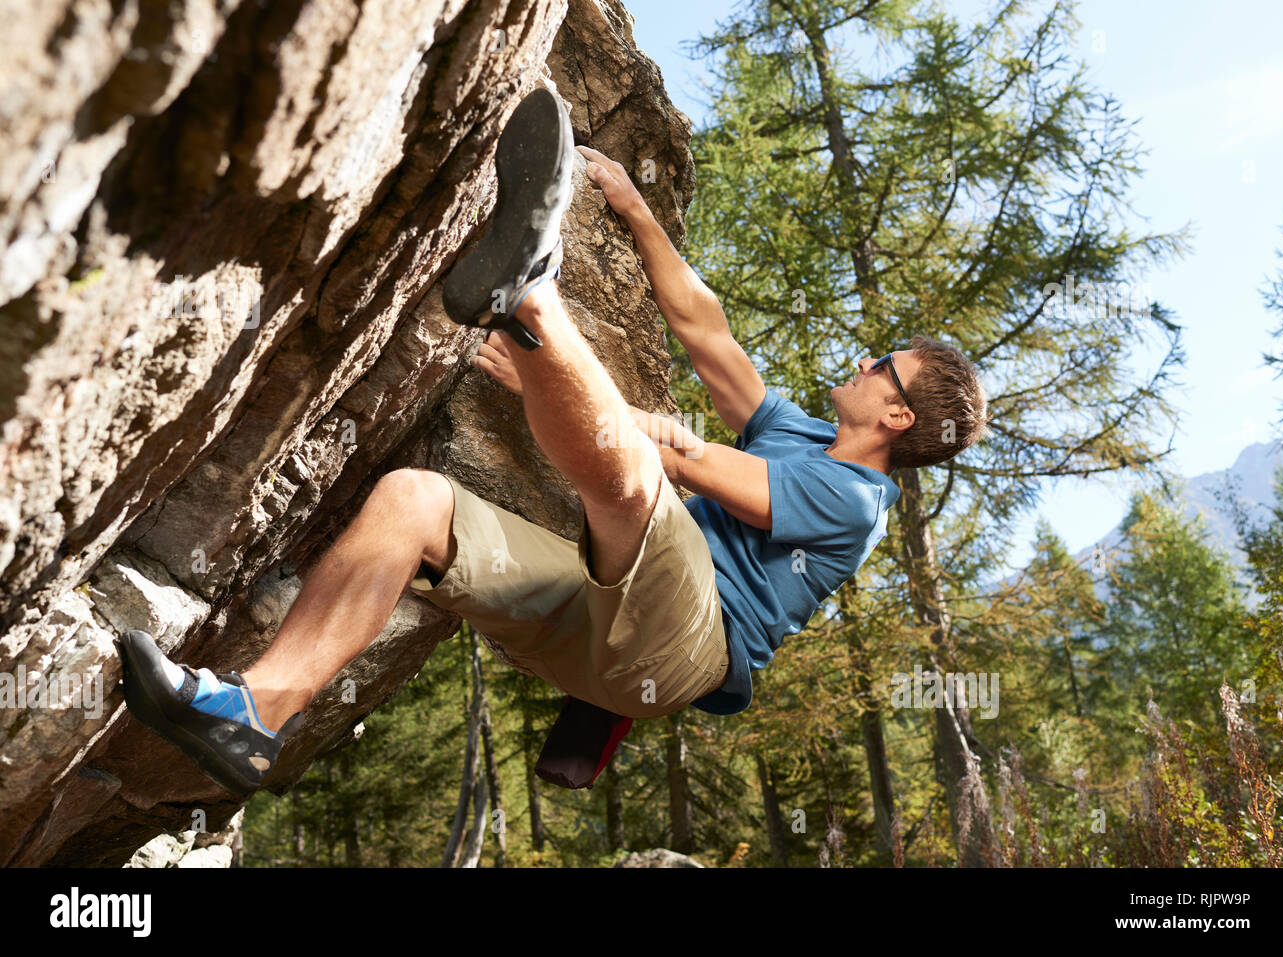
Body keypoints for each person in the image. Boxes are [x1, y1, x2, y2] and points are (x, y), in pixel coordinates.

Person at [118, 87, 987, 794]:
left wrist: (548, 362)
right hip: (594, 638)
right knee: (413, 502)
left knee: (642, 482)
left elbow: (685, 461)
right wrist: (636, 207)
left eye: (884, 365)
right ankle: (255, 714)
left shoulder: (855, 501)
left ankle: (531, 294)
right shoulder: (799, 432)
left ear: (898, 416)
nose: (867, 360)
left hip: (685, 646)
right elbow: (708, 335)